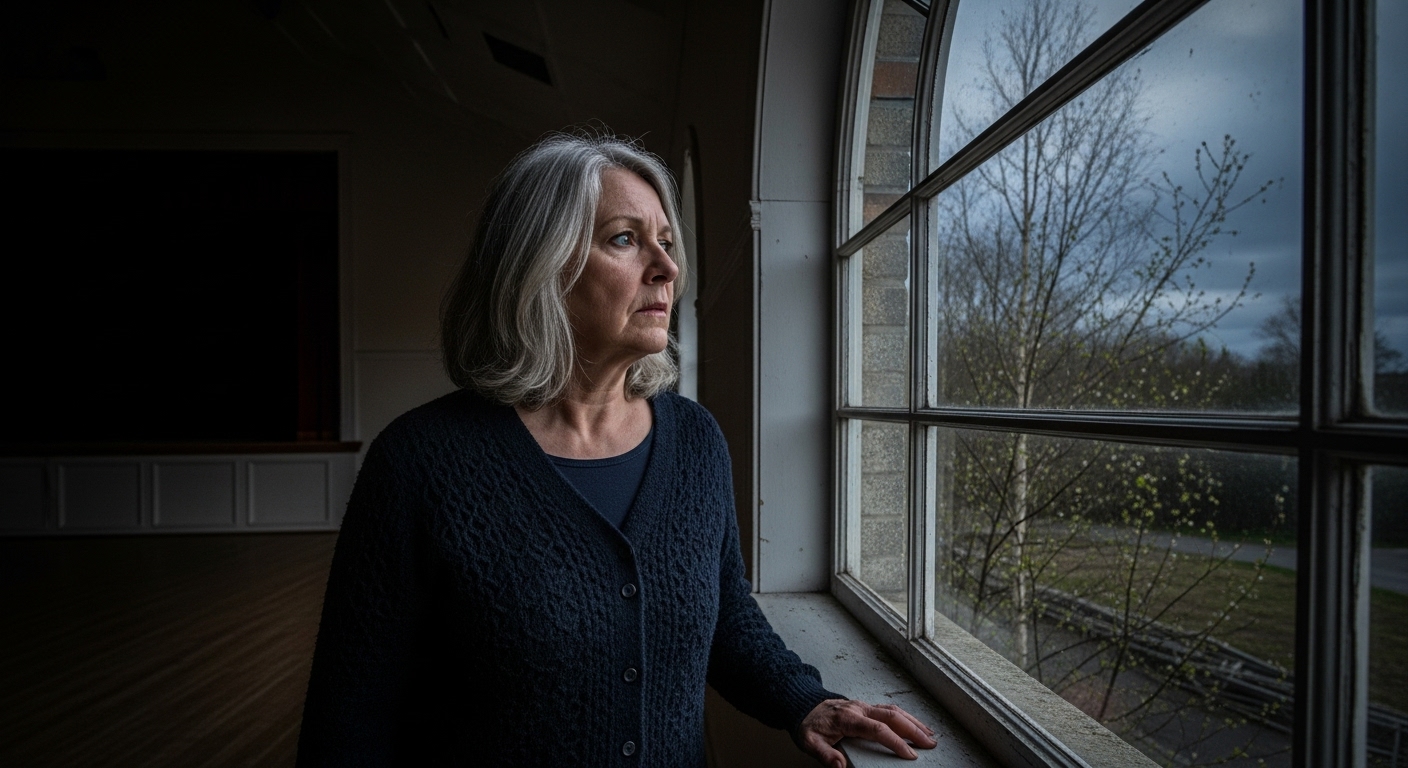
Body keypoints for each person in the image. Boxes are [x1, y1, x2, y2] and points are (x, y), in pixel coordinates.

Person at [296, 132, 937, 767]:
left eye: (666, 242)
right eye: (624, 239)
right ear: (537, 266)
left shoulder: (694, 441)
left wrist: (803, 700)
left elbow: (726, 619)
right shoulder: (420, 464)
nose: (666, 267)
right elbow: (349, 713)